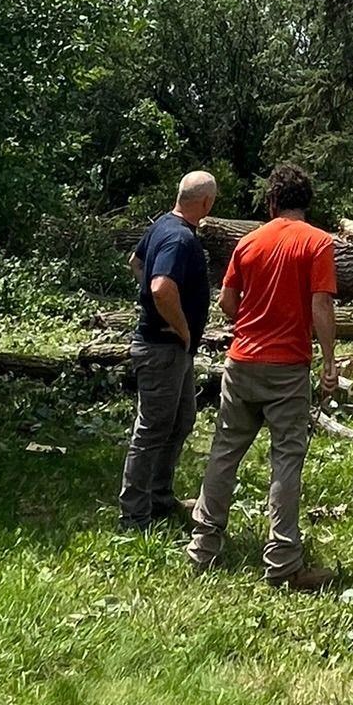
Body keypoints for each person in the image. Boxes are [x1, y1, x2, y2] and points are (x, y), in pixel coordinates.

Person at [188, 162, 338, 591]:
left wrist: (254, 320)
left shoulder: (248, 242)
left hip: (241, 362)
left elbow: (228, 303)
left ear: (272, 202)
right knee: (286, 460)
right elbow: (322, 306)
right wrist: (328, 359)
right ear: (306, 203)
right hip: (287, 368)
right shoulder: (317, 243)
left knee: (224, 452)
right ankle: (284, 563)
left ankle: (203, 547)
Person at [119, 169, 216, 531]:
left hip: (172, 349)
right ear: (206, 203)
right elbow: (160, 287)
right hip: (163, 347)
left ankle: (159, 495)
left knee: (181, 419)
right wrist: (180, 326)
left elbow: (136, 262)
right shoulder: (178, 239)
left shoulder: (162, 225)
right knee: (152, 430)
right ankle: (134, 515)